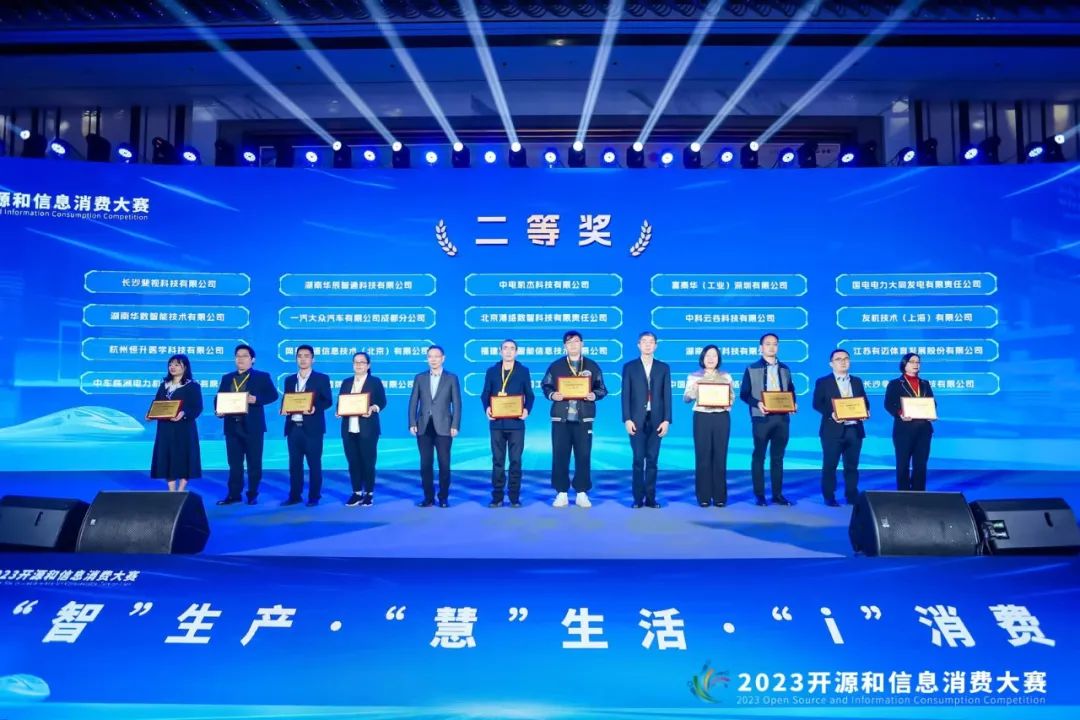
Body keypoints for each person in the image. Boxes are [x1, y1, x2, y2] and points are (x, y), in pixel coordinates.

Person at [541, 330, 608, 508]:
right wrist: (552, 395)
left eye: (576, 341)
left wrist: (594, 395)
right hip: (560, 419)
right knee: (560, 455)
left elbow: (602, 388)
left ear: (582, 344)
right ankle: (561, 492)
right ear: (565, 346)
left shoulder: (592, 366)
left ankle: (581, 492)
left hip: (583, 419)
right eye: (569, 342)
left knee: (583, 455)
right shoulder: (556, 366)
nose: (573, 345)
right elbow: (546, 385)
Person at [216, 344, 278, 506]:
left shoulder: (262, 376)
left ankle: (252, 494)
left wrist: (256, 399)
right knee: (234, 463)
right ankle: (234, 494)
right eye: (238, 356)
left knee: (254, 462)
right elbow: (219, 398)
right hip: (232, 426)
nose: (241, 359)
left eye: (244, 356)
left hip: (253, 427)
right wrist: (218, 410)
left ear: (252, 359)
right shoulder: (227, 378)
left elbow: (273, 395)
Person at [740, 333, 797, 506]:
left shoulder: (785, 369)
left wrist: (793, 403)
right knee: (759, 456)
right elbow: (744, 394)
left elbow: (791, 390)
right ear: (761, 347)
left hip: (782, 418)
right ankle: (760, 495)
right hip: (761, 418)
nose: (772, 347)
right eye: (768, 344)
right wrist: (758, 403)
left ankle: (777, 494)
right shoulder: (751, 368)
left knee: (778, 458)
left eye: (775, 344)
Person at [480, 339, 535, 507]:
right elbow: (485, 394)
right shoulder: (492, 371)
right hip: (497, 423)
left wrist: (526, 410)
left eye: (512, 348)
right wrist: (487, 408)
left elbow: (530, 395)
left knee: (515, 461)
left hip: (516, 424)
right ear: (500, 352)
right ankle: (497, 497)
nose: (509, 351)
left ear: (516, 352)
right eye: (505, 348)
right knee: (498, 461)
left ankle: (514, 497)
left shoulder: (523, 371)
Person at [407, 345, 462, 507]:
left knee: (444, 464)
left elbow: (457, 403)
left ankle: (443, 497)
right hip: (423, 426)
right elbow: (413, 401)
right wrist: (412, 422)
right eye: (430, 356)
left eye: (436, 356)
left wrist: (455, 424)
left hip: (444, 426)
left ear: (443, 358)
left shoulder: (451, 378)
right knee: (425, 464)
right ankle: (428, 497)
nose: (433, 359)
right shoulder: (420, 378)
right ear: (427, 359)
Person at [621, 331, 671, 508]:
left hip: (657, 420)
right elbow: (625, 395)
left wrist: (667, 420)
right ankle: (637, 499)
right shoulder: (630, 367)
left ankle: (650, 498)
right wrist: (627, 419)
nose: (648, 344)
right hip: (636, 420)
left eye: (651, 342)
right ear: (638, 345)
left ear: (656, 346)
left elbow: (667, 395)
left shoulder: (663, 367)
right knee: (637, 459)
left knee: (652, 460)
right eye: (644, 341)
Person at [812, 349, 868, 506]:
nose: (843, 362)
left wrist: (866, 410)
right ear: (831, 364)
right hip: (832, 430)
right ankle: (829, 496)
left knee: (852, 466)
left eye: (846, 359)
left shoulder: (857, 381)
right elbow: (817, 404)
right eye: (838, 359)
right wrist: (831, 413)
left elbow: (864, 401)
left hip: (854, 429)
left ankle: (851, 495)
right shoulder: (823, 382)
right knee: (830, 465)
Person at [281, 344, 333, 507]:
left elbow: (328, 401)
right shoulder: (290, 380)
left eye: (306, 356)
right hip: (293, 428)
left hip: (313, 429)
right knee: (294, 465)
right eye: (300, 356)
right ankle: (294, 495)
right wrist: (283, 408)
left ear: (313, 359)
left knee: (314, 464)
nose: (303, 359)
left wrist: (315, 407)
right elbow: (287, 400)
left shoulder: (321, 378)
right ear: (296, 359)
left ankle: (314, 496)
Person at [684, 344, 734, 507]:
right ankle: (703, 496)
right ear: (702, 358)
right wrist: (694, 388)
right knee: (703, 456)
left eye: (714, 355)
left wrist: (728, 402)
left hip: (721, 417)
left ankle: (720, 496)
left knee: (720, 456)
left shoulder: (726, 376)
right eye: (708, 355)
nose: (711, 359)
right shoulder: (694, 376)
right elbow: (686, 398)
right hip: (702, 417)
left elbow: (732, 397)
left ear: (718, 359)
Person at [339, 352, 387, 507]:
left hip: (368, 428)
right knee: (353, 462)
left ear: (368, 365)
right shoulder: (346, 382)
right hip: (349, 428)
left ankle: (369, 493)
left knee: (368, 462)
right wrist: (338, 411)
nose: (358, 365)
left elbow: (382, 401)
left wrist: (373, 408)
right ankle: (357, 492)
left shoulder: (375, 381)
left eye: (362, 362)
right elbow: (341, 402)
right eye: (356, 362)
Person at [150, 354, 203, 492]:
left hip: (184, 429)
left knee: (184, 458)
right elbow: (157, 403)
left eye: (177, 364)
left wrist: (183, 414)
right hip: (165, 428)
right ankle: (171, 491)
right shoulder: (164, 385)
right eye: (170, 364)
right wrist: (150, 414)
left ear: (185, 367)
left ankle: (181, 490)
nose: (172, 367)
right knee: (167, 458)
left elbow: (197, 407)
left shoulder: (192, 386)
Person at [884, 352, 935, 491]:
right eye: (912, 362)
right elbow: (889, 404)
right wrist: (900, 413)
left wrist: (932, 413)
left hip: (924, 430)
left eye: (918, 362)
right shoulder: (895, 384)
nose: (915, 364)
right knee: (903, 463)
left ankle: (919, 493)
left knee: (921, 464)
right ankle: (903, 493)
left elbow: (932, 402)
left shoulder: (925, 384)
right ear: (904, 364)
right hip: (904, 430)